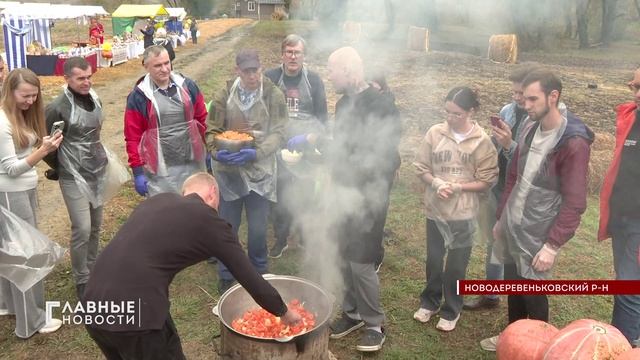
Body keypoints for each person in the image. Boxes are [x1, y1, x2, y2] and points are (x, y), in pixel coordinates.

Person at [84, 172, 301, 359]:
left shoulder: (156, 202)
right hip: (137, 317)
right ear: (213, 192)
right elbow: (250, 277)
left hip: (93, 306)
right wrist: (283, 311)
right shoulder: (209, 220)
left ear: (185, 192)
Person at [294, 47, 401, 352]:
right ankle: (352, 313)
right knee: (343, 255)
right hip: (342, 191)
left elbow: (383, 157)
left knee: (362, 260)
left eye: (332, 70)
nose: (329, 76)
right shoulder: (343, 105)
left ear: (349, 70)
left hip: (369, 196)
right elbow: (341, 147)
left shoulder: (381, 106)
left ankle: (374, 323)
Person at [481, 69, 593, 351]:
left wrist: (552, 245)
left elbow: (575, 201)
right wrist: (501, 219)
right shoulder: (531, 127)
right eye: (523, 98)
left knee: (533, 291)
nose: (525, 105)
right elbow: (514, 177)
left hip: (539, 230)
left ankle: (541, 347)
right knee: (514, 286)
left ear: (553, 97)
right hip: (514, 223)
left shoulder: (573, 142)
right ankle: (512, 340)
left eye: (532, 99)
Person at [413, 87, 498, 332]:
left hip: (463, 213)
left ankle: (452, 308)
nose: (451, 118)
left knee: (457, 264)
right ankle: (429, 301)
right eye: (447, 112)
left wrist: (459, 187)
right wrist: (436, 182)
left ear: (471, 112)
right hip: (436, 210)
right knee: (434, 258)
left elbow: (487, 180)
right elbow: (421, 166)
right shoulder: (435, 133)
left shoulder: (482, 141)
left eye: (457, 114)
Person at [206, 49, 287, 293]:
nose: (253, 76)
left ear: (261, 68)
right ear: (238, 70)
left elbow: (280, 132)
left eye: (256, 70)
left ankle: (259, 271)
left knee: (258, 226)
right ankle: (227, 274)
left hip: (260, 169)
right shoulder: (223, 95)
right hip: (229, 171)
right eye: (247, 71)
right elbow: (211, 130)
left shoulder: (273, 94)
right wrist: (216, 151)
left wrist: (258, 151)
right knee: (227, 226)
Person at [464, 65, 536, 311]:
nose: (516, 98)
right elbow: (494, 146)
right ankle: (491, 294)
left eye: (521, 93)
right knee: (494, 238)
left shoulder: (538, 117)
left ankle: (524, 300)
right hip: (500, 185)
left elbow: (533, 161)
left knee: (520, 247)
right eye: (514, 92)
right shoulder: (508, 110)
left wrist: (509, 144)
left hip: (522, 191)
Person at [0, 68, 64, 337]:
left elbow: (22, 151)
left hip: (19, 192)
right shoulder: (2, 122)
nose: (29, 101)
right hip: (11, 194)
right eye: (25, 96)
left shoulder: (20, 116)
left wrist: (42, 143)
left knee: (11, 252)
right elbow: (11, 168)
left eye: (34, 96)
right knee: (28, 255)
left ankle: (9, 305)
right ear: (10, 91)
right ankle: (32, 321)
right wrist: (43, 151)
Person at [43, 57, 107, 300]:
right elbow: (47, 144)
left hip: (96, 171)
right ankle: (82, 278)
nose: (86, 82)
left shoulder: (96, 99)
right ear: (66, 78)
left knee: (96, 225)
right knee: (82, 227)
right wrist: (59, 167)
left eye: (89, 76)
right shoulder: (57, 107)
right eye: (80, 78)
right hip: (72, 175)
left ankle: (94, 269)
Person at [264, 34, 328, 258]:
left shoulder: (314, 80)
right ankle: (280, 238)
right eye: (289, 52)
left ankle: (305, 235)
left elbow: (322, 118)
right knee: (280, 194)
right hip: (279, 145)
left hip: (306, 146)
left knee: (306, 193)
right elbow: (261, 112)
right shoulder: (270, 77)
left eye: (297, 52)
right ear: (282, 54)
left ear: (303, 55)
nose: (293, 56)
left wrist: (311, 139)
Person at [124, 45, 208, 197]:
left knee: (193, 206)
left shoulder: (187, 86)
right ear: (146, 66)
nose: (164, 69)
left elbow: (203, 119)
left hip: (191, 160)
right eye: (157, 65)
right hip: (160, 167)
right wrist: (137, 171)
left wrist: (210, 148)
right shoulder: (139, 97)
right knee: (167, 212)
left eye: (167, 63)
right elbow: (133, 137)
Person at [598, 67, 640, 347]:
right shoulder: (631, 116)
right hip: (622, 216)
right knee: (624, 281)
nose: (636, 94)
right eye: (634, 87)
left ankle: (620, 347)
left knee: (628, 287)